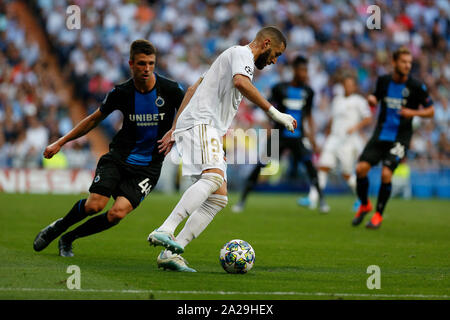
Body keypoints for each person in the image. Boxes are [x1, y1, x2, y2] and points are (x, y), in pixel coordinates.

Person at [147, 26, 297, 272]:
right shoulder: (241, 54)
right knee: (214, 177)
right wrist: (275, 113)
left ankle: (170, 252)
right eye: (276, 54)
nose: (274, 61)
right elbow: (241, 83)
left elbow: (194, 88)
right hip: (202, 122)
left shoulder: (230, 58)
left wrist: (175, 127)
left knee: (218, 198)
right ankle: (165, 229)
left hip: (205, 126)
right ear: (267, 43)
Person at [33, 40, 185, 256]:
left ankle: (68, 239)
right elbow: (93, 120)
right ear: (131, 63)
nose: (147, 69)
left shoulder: (170, 90)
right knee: (94, 206)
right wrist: (60, 142)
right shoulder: (121, 93)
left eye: (151, 63)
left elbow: (190, 108)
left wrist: (175, 129)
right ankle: (58, 227)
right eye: (142, 63)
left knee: (117, 214)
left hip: (148, 167)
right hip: (118, 159)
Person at [231, 56, 329, 213]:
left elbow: (308, 115)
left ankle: (322, 201)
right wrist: (268, 126)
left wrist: (312, 137)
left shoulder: (308, 92)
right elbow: (267, 107)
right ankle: (242, 200)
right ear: (294, 70)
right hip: (279, 136)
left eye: (306, 70)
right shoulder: (280, 88)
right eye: (302, 70)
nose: (304, 74)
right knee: (261, 165)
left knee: (310, 167)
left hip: (298, 137)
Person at [352, 46, 434, 229]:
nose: (407, 66)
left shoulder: (415, 86)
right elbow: (375, 97)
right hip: (380, 134)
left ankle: (378, 215)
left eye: (409, 63)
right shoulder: (383, 81)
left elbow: (431, 110)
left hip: (400, 138)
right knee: (360, 169)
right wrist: (372, 100)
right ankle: (365, 204)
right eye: (404, 62)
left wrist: (412, 112)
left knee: (386, 173)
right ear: (394, 62)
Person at [312, 74, 372, 211]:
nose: (348, 87)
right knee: (323, 166)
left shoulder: (359, 101)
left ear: (355, 86)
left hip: (348, 141)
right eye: (346, 84)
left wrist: (355, 127)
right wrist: (326, 135)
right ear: (343, 86)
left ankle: (362, 198)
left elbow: (368, 118)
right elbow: (332, 119)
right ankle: (313, 198)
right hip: (334, 138)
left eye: (351, 85)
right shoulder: (337, 100)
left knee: (346, 173)